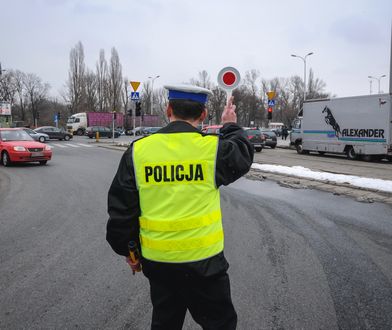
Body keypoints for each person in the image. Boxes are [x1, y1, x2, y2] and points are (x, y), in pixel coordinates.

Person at [106, 84, 254, 330]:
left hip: (160, 265)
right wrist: (230, 124)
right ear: (203, 115)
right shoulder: (213, 150)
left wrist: (130, 251)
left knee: (165, 323)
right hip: (206, 265)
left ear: (168, 109)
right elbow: (243, 154)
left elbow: (122, 211)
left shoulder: (139, 151)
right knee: (220, 324)